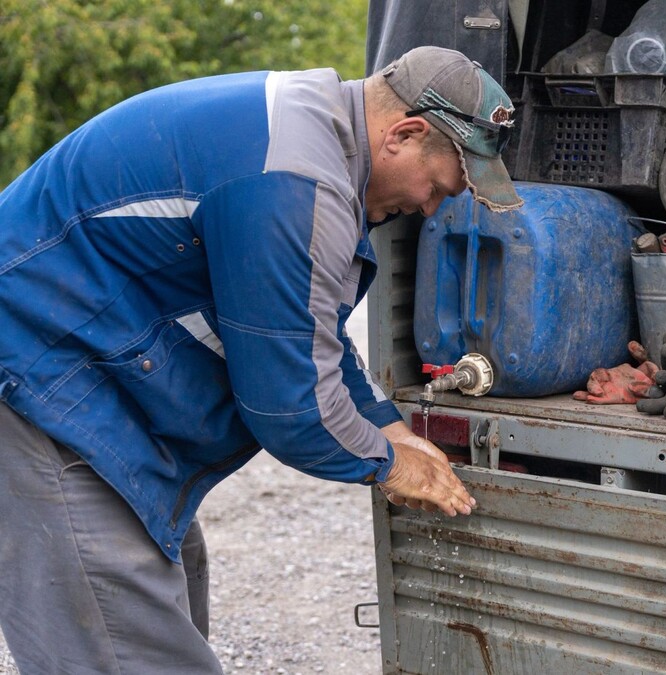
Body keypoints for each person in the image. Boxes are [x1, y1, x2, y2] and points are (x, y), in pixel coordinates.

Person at [0, 46, 522, 673]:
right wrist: (387, 465)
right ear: (404, 134)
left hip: (80, 371)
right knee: (120, 636)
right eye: (438, 186)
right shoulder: (296, 180)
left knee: (160, 596)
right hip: (36, 383)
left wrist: (385, 423)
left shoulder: (314, 132)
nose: (432, 207)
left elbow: (305, 332)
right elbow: (290, 403)